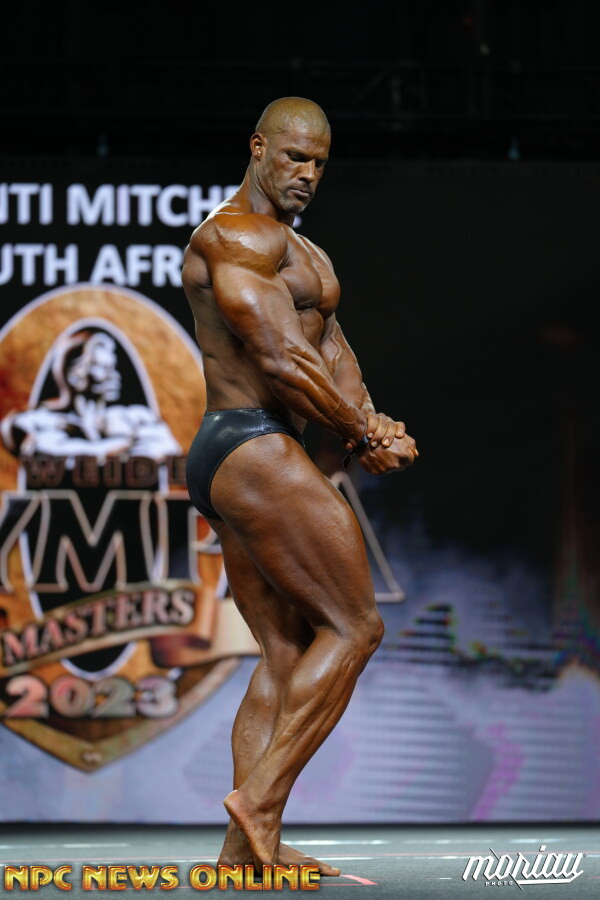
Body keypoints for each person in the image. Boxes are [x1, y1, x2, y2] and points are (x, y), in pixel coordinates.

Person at [182, 97, 418, 873]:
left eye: (318, 162)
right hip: (250, 442)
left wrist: (373, 422)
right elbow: (282, 359)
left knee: (284, 651)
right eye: (293, 157)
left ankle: (245, 852)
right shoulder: (232, 236)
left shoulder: (305, 252)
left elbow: (332, 350)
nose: (307, 174)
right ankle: (259, 803)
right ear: (258, 148)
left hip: (249, 453)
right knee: (355, 628)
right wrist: (362, 433)